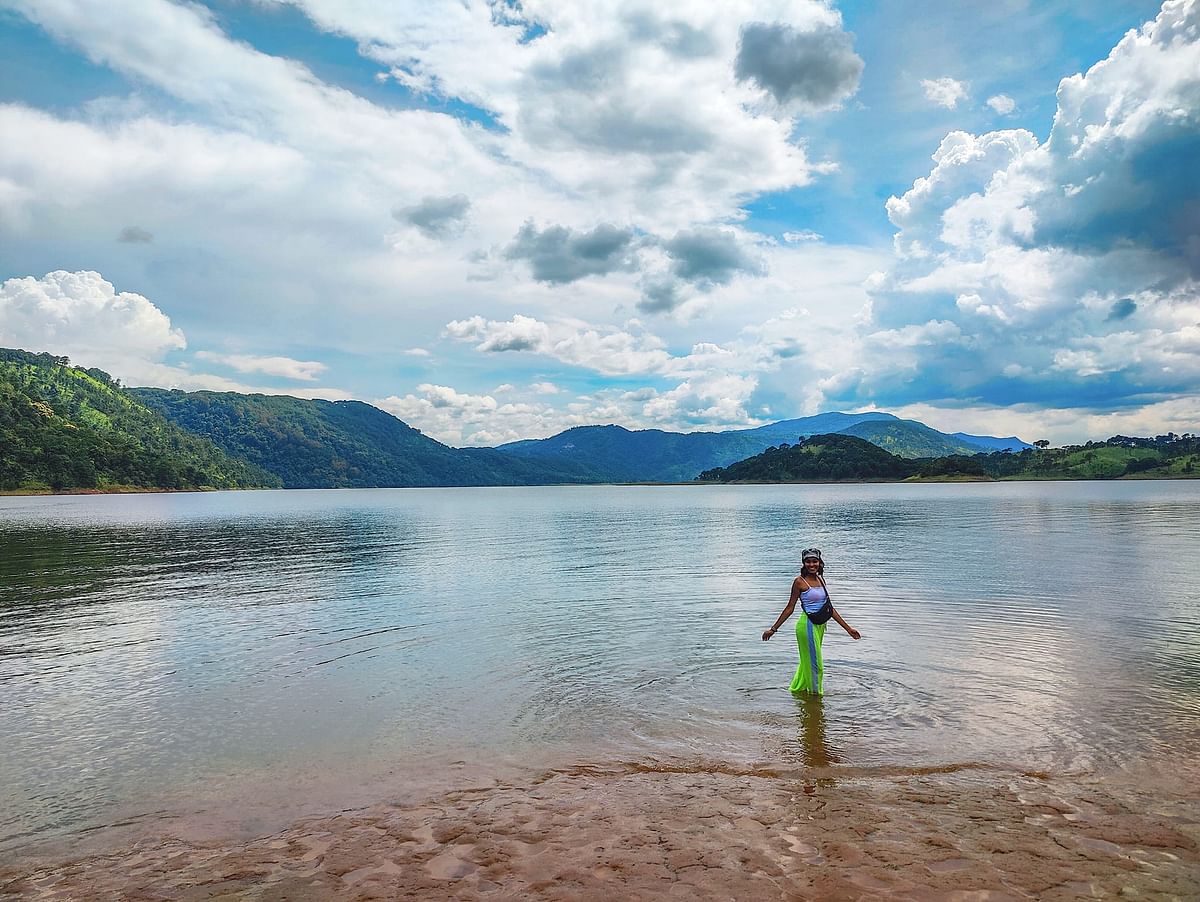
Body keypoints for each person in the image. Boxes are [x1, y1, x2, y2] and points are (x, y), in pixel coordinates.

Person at [762, 548, 860, 695]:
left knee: (807, 663)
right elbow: (790, 608)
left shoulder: (821, 580)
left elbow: (829, 608)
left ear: (820, 563)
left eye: (814, 561)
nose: (811, 564)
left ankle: (798, 691)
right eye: (808, 562)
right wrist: (773, 629)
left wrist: (848, 629)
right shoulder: (799, 582)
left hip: (820, 626)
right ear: (803, 563)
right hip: (807, 626)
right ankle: (815, 699)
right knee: (816, 666)